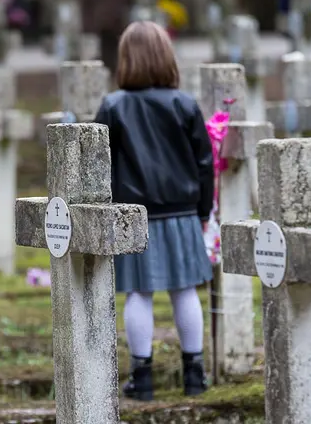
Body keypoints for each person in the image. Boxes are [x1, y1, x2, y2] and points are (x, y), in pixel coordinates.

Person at [93, 21, 214, 401]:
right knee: (185, 291)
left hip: (134, 216)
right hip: (181, 213)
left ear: (125, 59)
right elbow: (204, 162)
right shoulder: (185, 103)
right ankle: (194, 374)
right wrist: (204, 210)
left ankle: (141, 378)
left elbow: (101, 163)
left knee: (139, 294)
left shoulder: (113, 106)